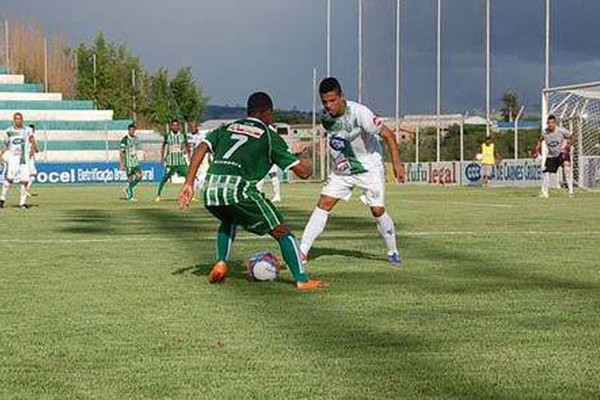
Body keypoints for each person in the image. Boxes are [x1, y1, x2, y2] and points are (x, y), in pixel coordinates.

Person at [179, 92, 327, 291]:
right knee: (282, 231)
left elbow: (201, 147)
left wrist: (188, 183)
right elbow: (302, 173)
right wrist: (306, 162)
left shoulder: (227, 127)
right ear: (267, 112)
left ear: (248, 111)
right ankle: (302, 279)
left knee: (229, 219)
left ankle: (222, 261)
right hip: (238, 189)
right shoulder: (268, 135)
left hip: (209, 189)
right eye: (271, 114)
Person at [299, 77, 406, 266]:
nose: (329, 105)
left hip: (369, 168)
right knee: (324, 204)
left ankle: (392, 251)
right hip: (343, 169)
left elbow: (388, 134)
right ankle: (302, 252)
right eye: (325, 102)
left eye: (332, 100)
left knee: (377, 210)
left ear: (341, 97)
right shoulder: (325, 119)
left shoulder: (360, 113)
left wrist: (397, 163)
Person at [0, 112, 33, 209]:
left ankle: (22, 203)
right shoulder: (9, 131)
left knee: (24, 181)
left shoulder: (28, 130)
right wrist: (1, 155)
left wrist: (32, 149)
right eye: (16, 119)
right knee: (9, 178)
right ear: (13, 120)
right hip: (13, 158)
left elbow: (32, 140)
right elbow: (6, 145)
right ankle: (2, 198)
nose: (18, 120)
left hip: (24, 159)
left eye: (19, 118)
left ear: (22, 119)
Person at [535, 114, 573, 197]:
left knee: (566, 166)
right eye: (548, 123)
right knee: (545, 172)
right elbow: (540, 139)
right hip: (552, 155)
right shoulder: (545, 132)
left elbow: (571, 135)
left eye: (552, 123)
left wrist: (568, 145)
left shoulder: (561, 130)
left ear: (555, 123)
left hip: (562, 153)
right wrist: (537, 150)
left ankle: (570, 190)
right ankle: (545, 192)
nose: (550, 125)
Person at [155, 119, 190, 202]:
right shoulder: (168, 136)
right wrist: (162, 157)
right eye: (173, 125)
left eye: (176, 125)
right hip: (171, 162)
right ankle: (158, 195)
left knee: (189, 177)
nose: (175, 127)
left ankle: (189, 195)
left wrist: (189, 155)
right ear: (171, 127)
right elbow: (163, 146)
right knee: (165, 178)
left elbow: (187, 145)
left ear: (179, 126)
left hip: (181, 161)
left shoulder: (182, 135)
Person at [119, 123, 143, 202]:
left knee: (139, 176)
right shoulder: (124, 140)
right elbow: (122, 152)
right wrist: (122, 163)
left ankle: (128, 188)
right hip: (128, 163)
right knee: (130, 179)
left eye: (133, 130)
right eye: (131, 130)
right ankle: (130, 197)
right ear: (128, 131)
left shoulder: (136, 139)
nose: (132, 131)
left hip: (135, 162)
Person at [187, 120, 210, 197]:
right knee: (194, 175)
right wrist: (188, 155)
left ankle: (202, 191)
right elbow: (187, 147)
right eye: (191, 127)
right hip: (192, 158)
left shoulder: (201, 136)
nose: (193, 128)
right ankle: (193, 193)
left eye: (194, 126)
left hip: (202, 158)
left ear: (197, 127)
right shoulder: (188, 136)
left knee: (203, 174)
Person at [25, 124, 39, 193]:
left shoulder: (24, 137)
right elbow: (35, 148)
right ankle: (26, 189)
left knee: (27, 175)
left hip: (24, 157)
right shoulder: (31, 137)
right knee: (33, 174)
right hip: (29, 158)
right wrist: (36, 149)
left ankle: (25, 189)